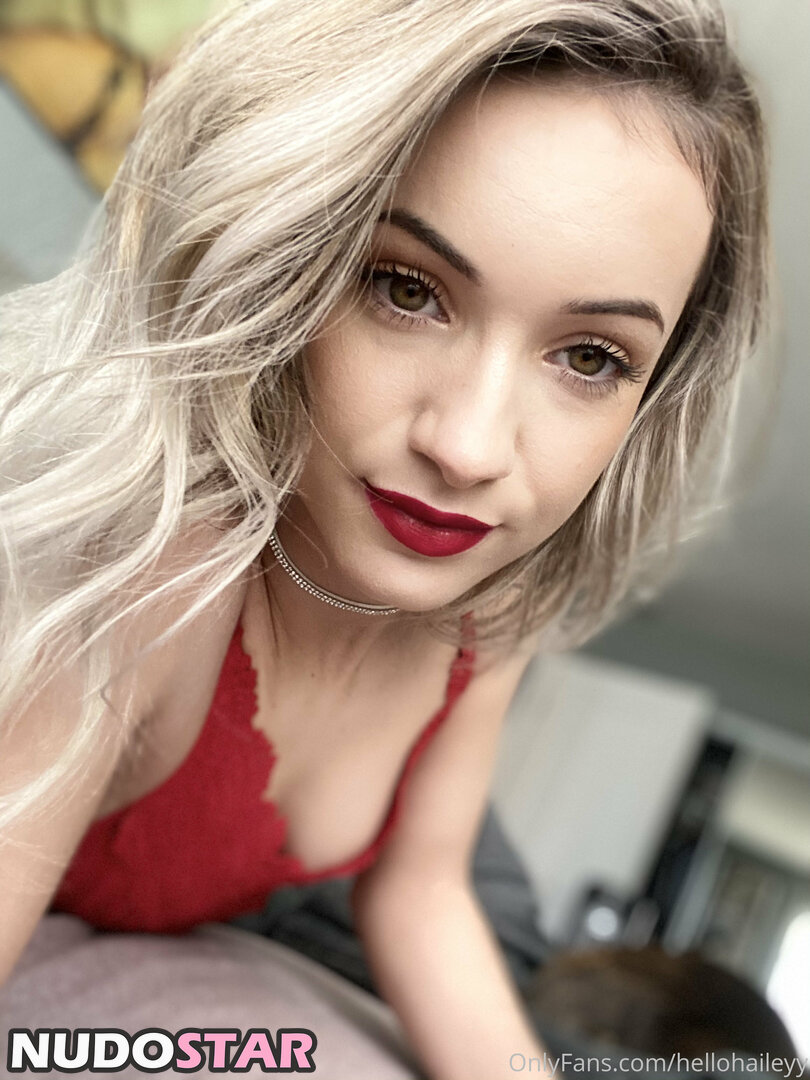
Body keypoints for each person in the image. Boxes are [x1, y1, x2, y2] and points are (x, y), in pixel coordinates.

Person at [0, 1, 769, 1077]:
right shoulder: (152, 567)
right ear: (294, 261)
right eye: (408, 290)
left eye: (591, 357)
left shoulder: (495, 612)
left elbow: (420, 890)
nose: (468, 447)